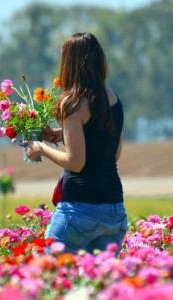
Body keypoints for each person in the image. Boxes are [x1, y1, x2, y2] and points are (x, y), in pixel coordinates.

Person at [24, 32, 127, 254]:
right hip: (114, 209)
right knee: (100, 282)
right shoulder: (113, 99)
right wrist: (63, 134)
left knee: (51, 273)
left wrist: (41, 147)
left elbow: (76, 162)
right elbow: (113, 152)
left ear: (69, 64)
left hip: (79, 209)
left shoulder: (72, 102)